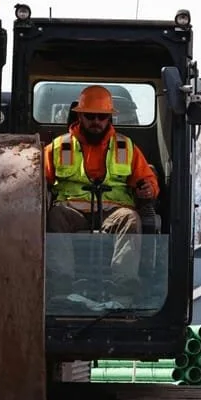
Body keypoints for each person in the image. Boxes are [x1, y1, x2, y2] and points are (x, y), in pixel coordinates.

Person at [44, 86, 159, 272]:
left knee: (130, 219)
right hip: (72, 212)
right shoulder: (58, 147)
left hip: (113, 213)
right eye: (90, 116)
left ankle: (123, 290)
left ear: (109, 118)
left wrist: (148, 189)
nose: (96, 121)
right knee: (56, 216)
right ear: (79, 116)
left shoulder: (126, 147)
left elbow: (147, 178)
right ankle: (61, 286)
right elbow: (37, 182)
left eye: (101, 116)